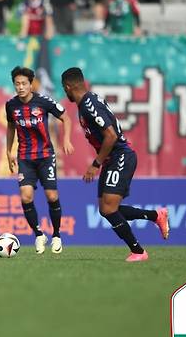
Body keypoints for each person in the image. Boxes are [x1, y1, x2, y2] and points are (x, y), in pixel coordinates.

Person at [60, 67, 169, 262]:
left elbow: (111, 135)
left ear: (68, 86)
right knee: (105, 209)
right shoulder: (87, 102)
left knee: (110, 208)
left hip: (120, 156)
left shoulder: (88, 104)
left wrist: (96, 164)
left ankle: (138, 251)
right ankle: (156, 216)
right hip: (113, 158)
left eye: (64, 88)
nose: (64, 92)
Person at [6, 67, 73, 254]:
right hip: (25, 157)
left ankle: (57, 235)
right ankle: (38, 234)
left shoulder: (43, 102)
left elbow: (66, 118)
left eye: (24, 83)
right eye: (17, 84)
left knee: (52, 196)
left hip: (45, 156)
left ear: (31, 84)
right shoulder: (11, 105)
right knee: (26, 196)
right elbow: (10, 127)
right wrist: (8, 151)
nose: (20, 87)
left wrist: (66, 139)